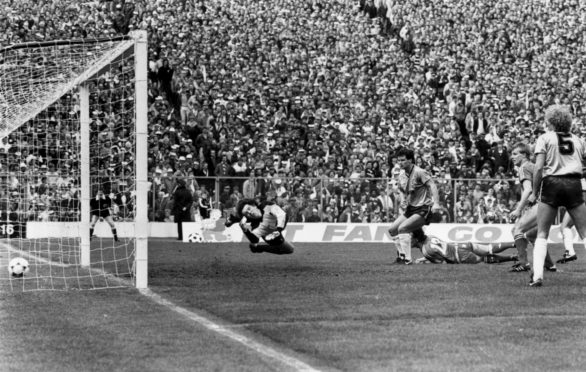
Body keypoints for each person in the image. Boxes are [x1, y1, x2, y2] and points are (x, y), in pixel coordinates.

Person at [531, 105, 586, 287]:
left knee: (542, 233)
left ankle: (537, 276)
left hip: (552, 183)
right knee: (584, 232)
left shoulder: (545, 138)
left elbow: (539, 167)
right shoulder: (578, 140)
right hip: (574, 183)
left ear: (551, 121)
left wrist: (534, 191)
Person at [388, 148, 441, 264]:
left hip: (423, 208)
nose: (400, 163)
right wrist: (402, 199)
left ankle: (407, 260)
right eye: (399, 160)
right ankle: (401, 256)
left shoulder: (419, 172)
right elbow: (401, 190)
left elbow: (432, 185)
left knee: (403, 228)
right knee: (392, 230)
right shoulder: (402, 175)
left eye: (403, 160)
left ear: (410, 160)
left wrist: (436, 203)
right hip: (410, 209)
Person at [509, 142, 556, 272]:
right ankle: (550, 265)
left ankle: (523, 263)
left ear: (524, 155)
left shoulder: (524, 167)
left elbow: (528, 189)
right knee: (532, 235)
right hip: (551, 204)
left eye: (515, 154)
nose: (512, 157)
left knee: (517, 229)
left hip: (542, 203)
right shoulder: (534, 166)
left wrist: (518, 209)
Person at [411, 228, 518, 264]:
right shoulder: (430, 237)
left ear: (416, 239)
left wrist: (425, 260)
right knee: (489, 248)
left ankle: (513, 257)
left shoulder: (426, 250)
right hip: (460, 245)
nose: (409, 240)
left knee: (484, 259)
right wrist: (422, 260)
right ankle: (516, 243)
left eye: (410, 238)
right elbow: (436, 251)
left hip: (460, 256)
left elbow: (442, 261)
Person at [227, 198, 294, 255]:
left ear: (254, 205)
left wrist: (279, 229)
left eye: (249, 208)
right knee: (289, 249)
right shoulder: (255, 226)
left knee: (289, 248)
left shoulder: (266, 205)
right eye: (246, 213)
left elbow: (282, 215)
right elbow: (254, 239)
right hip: (270, 231)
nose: (250, 212)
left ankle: (234, 219)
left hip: (276, 224)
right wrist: (245, 230)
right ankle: (258, 248)